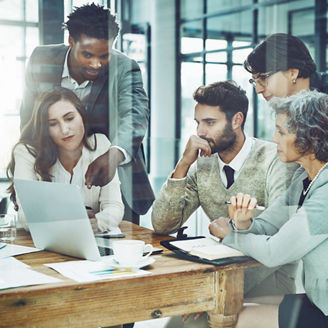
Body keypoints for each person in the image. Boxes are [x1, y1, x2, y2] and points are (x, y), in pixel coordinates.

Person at [151, 81, 297, 328]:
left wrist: (213, 293)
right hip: (221, 273)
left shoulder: (276, 159)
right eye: (198, 123)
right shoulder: (203, 165)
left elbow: (276, 234)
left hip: (269, 276)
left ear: (237, 120)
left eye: (209, 123)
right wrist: (183, 165)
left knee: (192, 324)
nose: (201, 132)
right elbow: (163, 223)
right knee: (174, 323)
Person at [19, 3, 154, 224]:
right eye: (88, 54)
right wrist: (26, 178)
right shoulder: (41, 59)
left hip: (113, 186)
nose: (97, 64)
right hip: (55, 180)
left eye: (104, 55)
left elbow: (135, 114)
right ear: (71, 41)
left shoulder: (125, 67)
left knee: (120, 256)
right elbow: (29, 120)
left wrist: (115, 154)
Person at [210, 90, 328, 328]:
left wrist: (231, 235)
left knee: (237, 320)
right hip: (319, 302)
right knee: (232, 305)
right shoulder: (303, 179)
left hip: (324, 312)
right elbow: (269, 225)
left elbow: (274, 251)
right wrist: (243, 223)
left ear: (310, 138)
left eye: (282, 132)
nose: (274, 139)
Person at [7, 87, 124, 233]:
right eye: (53, 124)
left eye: (69, 118)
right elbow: (26, 216)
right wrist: (70, 225)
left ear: (82, 116)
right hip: (42, 243)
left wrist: (97, 223)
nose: (64, 130)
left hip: (89, 241)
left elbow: (114, 206)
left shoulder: (101, 144)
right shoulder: (27, 152)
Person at [244, 33, 328, 101]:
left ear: (292, 73)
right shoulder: (288, 104)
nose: (258, 90)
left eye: (263, 78)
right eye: (255, 81)